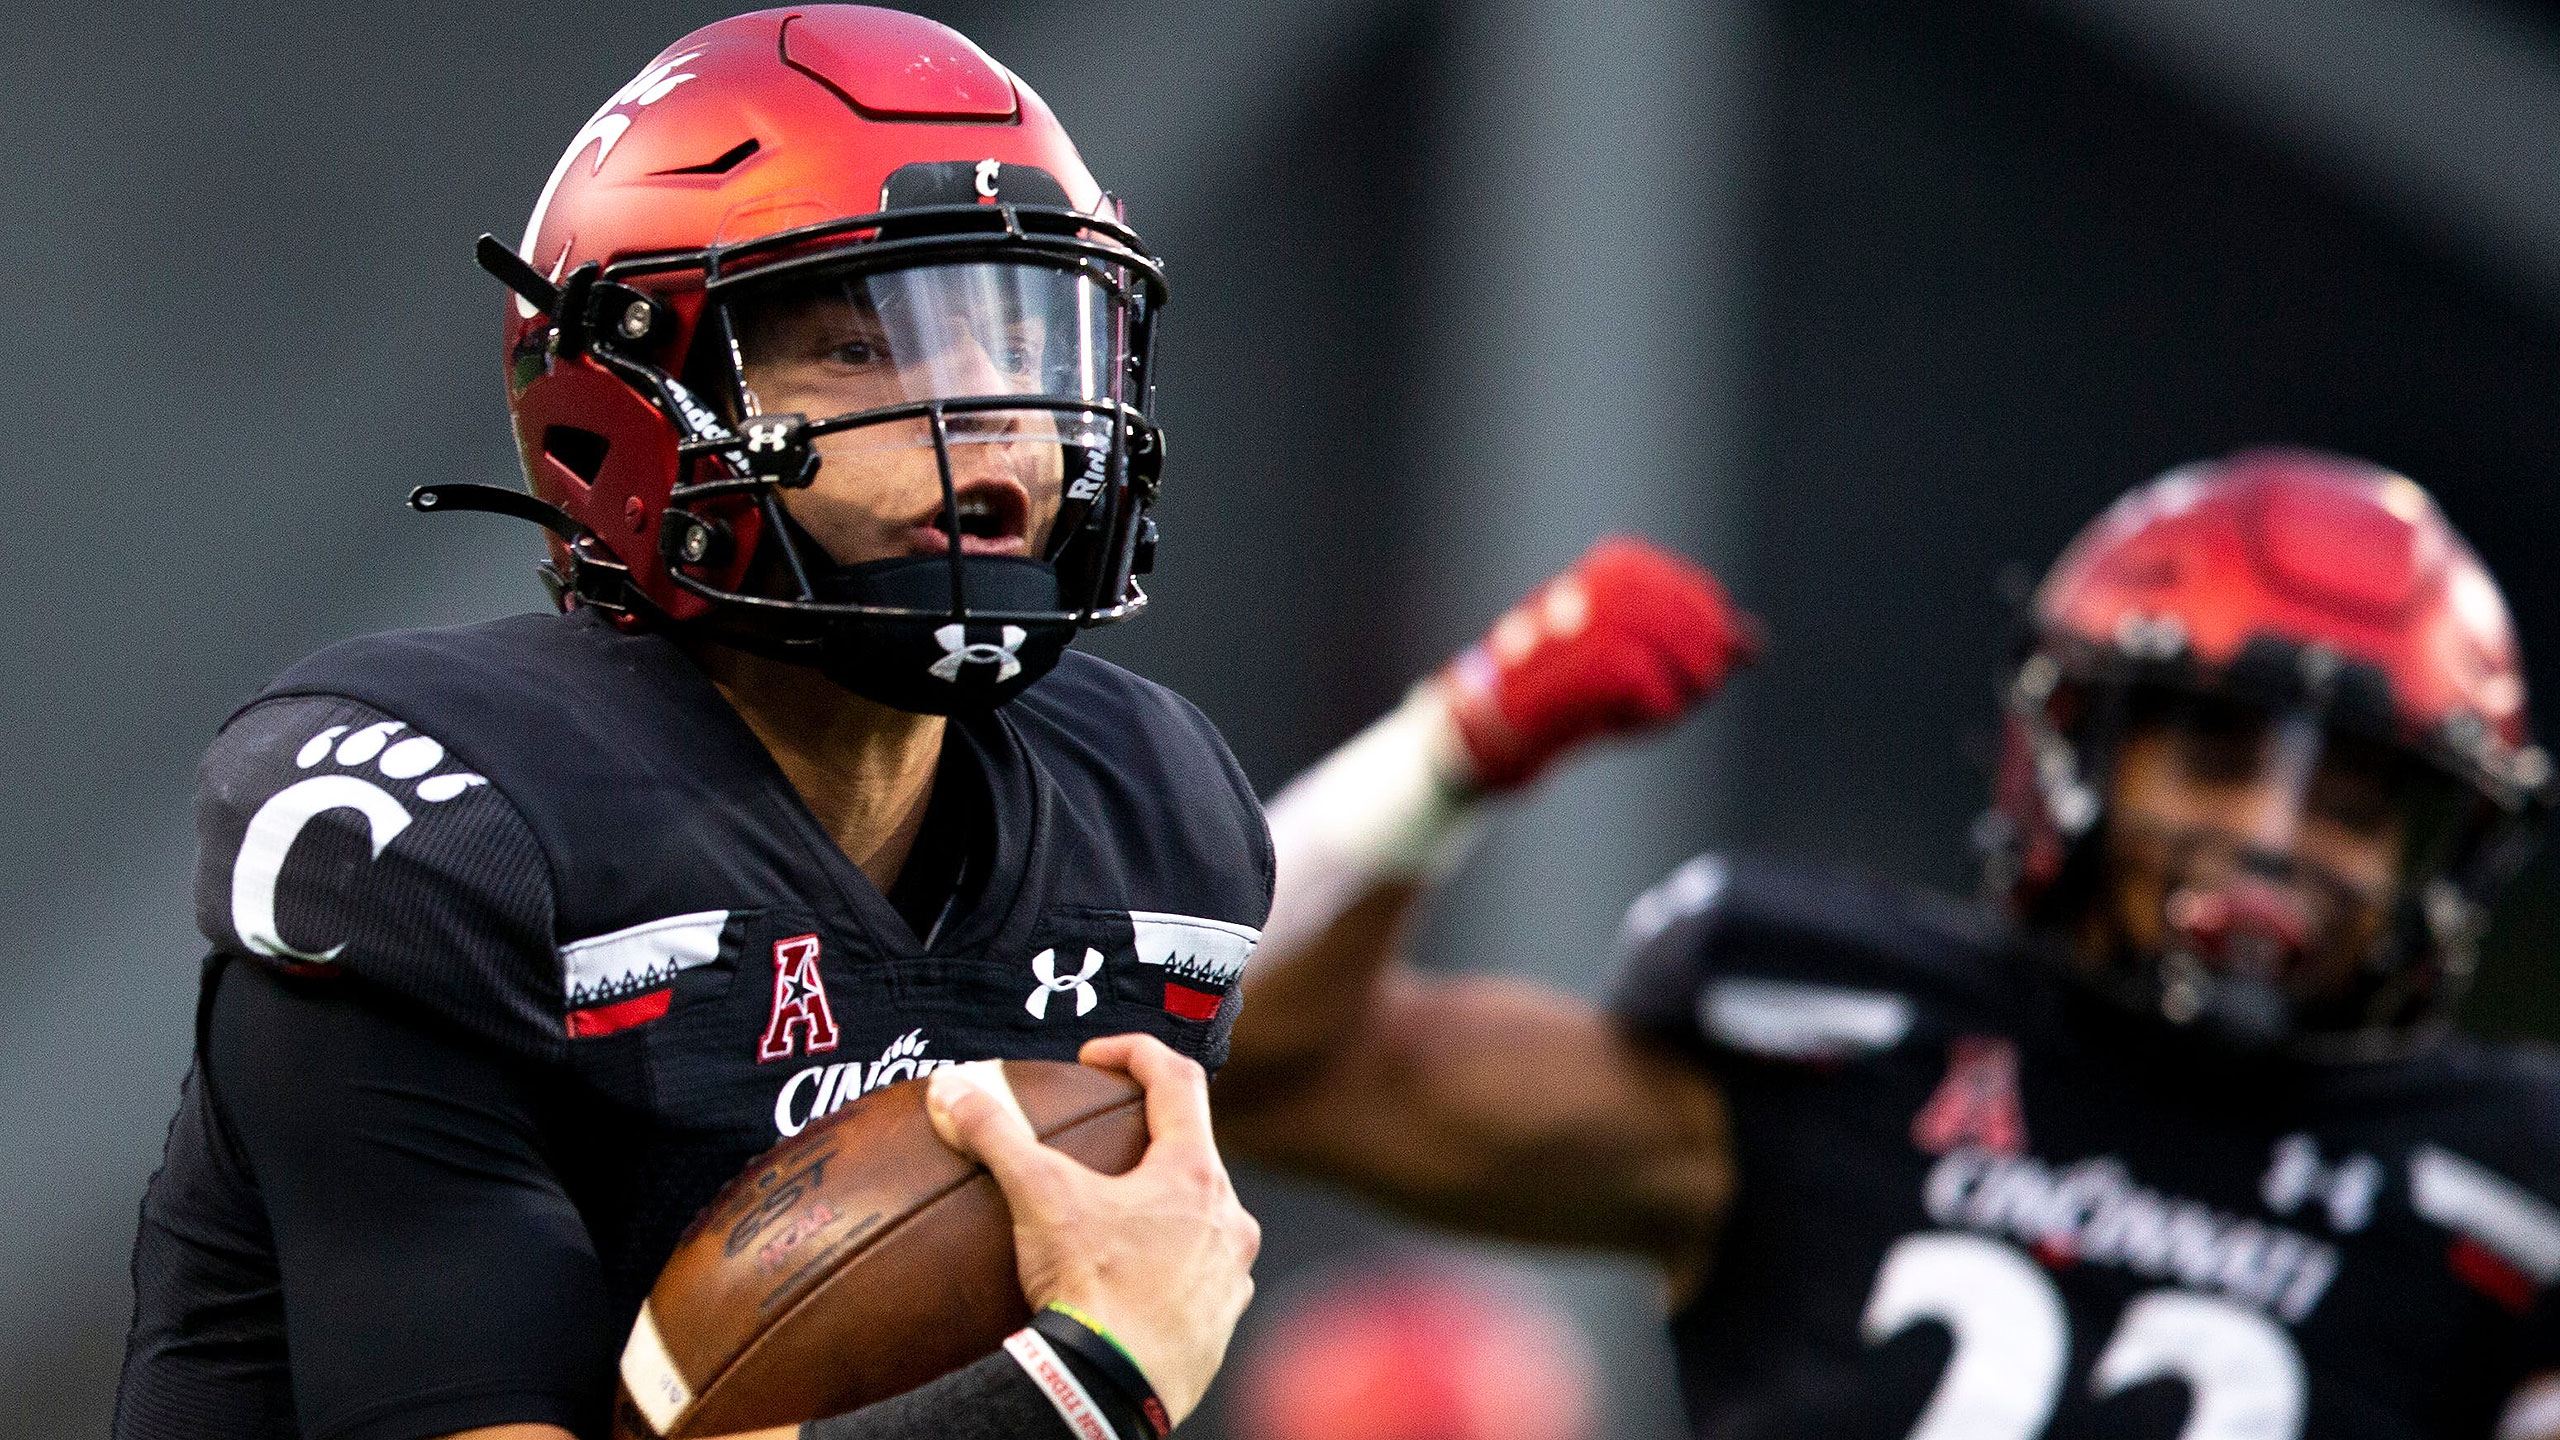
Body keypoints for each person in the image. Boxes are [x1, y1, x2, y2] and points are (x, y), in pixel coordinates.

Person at [115, 9, 1267, 1440]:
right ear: (631, 403)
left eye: (1018, 336)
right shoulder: (443, 839)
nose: (987, 422)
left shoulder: (1153, 821)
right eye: (863, 351)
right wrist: (1075, 1386)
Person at [1215, 452, 2560, 1438]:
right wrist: (1459, 744)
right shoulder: (1846, 1045)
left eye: (2351, 803)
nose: (2272, 845)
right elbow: (1259, 1068)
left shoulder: (2505, 1196)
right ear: (2072, 752)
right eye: (2212, 760)